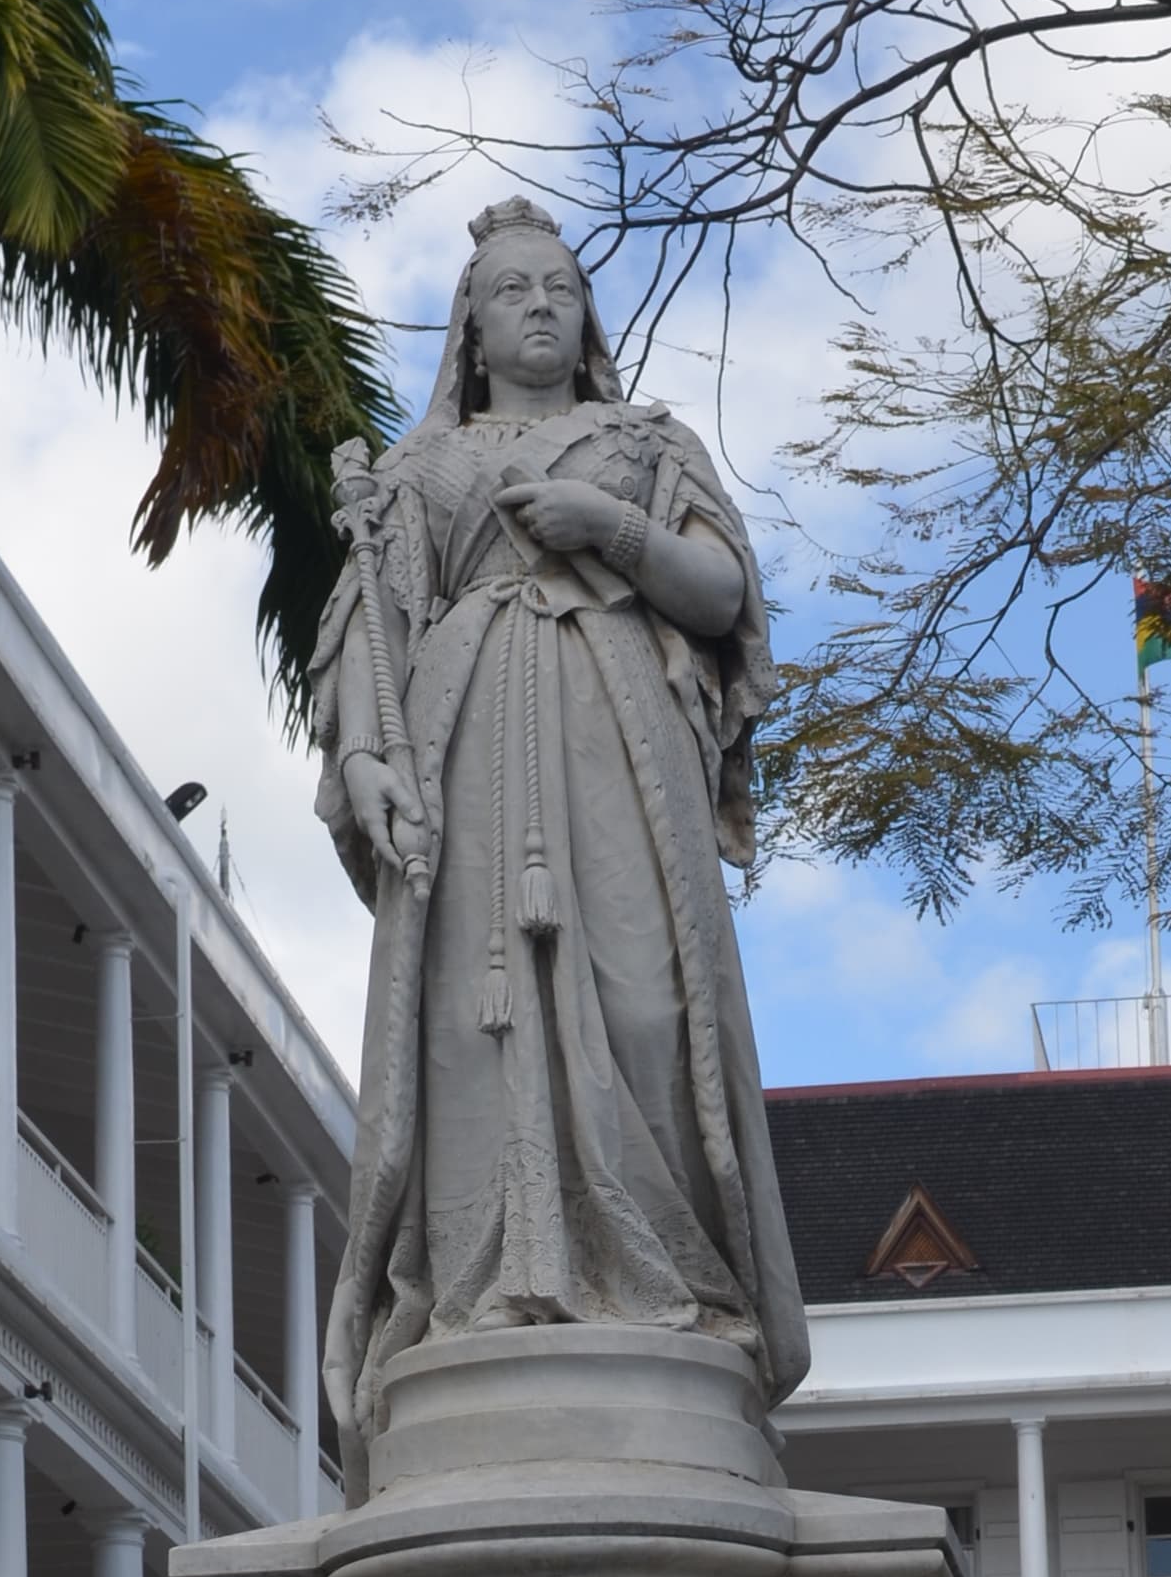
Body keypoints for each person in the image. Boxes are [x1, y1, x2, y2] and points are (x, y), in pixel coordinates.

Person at [311, 198, 811, 1486]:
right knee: (480, 1030)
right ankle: (494, 1286)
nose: (539, 305)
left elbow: (720, 596)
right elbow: (372, 632)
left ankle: (677, 1286)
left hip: (619, 738)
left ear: (587, 316)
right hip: (467, 736)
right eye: (510, 290)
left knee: (650, 1004)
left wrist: (614, 533)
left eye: (561, 286)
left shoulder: (648, 442)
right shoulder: (419, 473)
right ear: (468, 332)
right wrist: (368, 759)